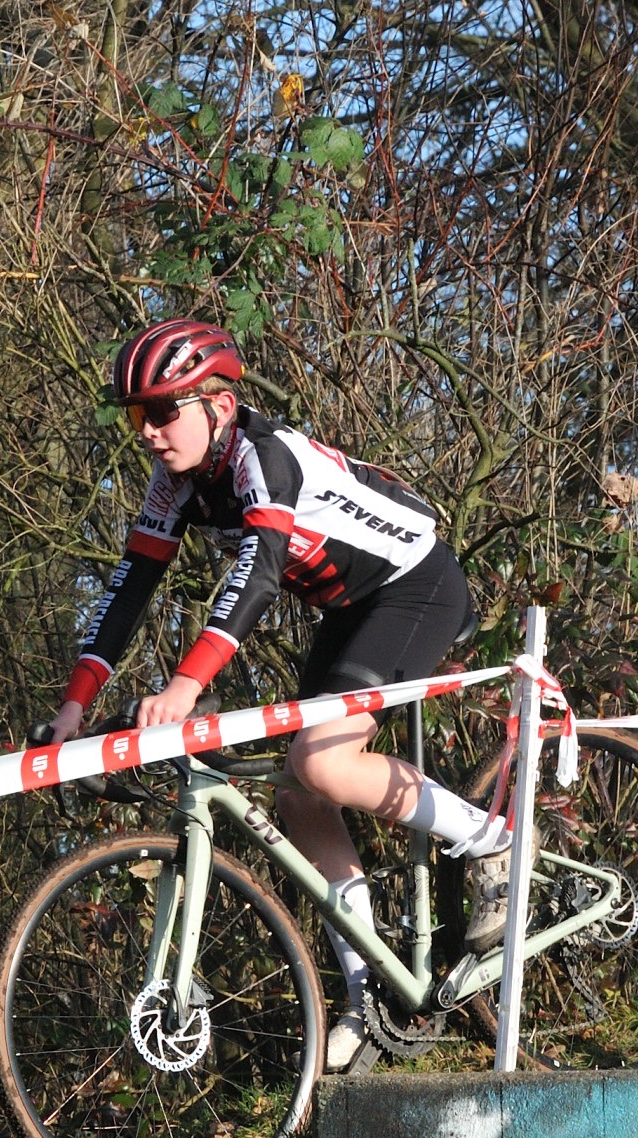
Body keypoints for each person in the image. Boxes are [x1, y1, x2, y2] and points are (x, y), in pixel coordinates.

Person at [44, 318, 513, 1069]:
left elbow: (257, 576)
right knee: (300, 798)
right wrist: (73, 706)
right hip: (349, 611)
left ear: (220, 405)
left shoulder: (265, 457)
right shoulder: (177, 483)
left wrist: (186, 686)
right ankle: (369, 996)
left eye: (160, 411)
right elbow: (129, 590)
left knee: (324, 762)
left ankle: (495, 842)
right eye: (136, 416)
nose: (148, 432)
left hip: (415, 589)